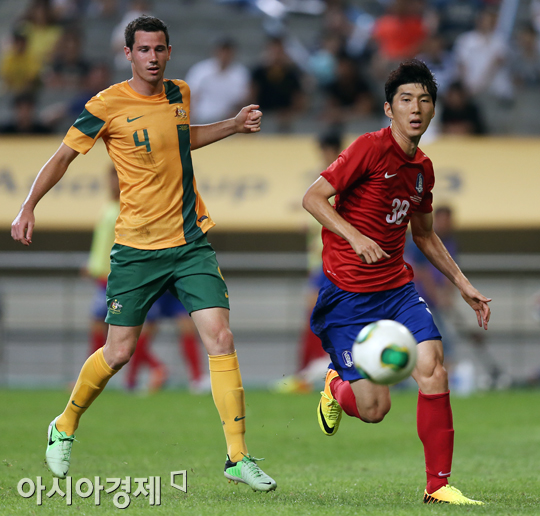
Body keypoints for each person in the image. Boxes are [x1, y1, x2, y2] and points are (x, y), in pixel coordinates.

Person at [11, 15, 276, 492]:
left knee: (220, 336)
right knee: (118, 352)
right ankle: (65, 423)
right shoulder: (106, 104)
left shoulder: (180, 93)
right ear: (128, 54)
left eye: (160, 49)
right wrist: (29, 205)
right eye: (144, 50)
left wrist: (233, 125)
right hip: (136, 248)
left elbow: (182, 140)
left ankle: (237, 456)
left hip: (189, 241)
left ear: (169, 52)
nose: (152, 57)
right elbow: (63, 157)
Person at [302, 59, 491, 505]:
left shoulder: (423, 169)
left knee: (433, 368)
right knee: (374, 410)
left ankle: (438, 485)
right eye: (406, 99)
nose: (416, 108)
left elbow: (423, 234)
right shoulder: (368, 148)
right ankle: (335, 384)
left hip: (397, 290)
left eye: (425, 100)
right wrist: (355, 235)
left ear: (432, 110)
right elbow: (313, 198)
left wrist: (463, 284)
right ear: (389, 108)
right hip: (348, 295)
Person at [185, 36, 250, 125]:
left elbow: (243, 99)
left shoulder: (240, 73)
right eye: (222, 50)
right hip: (202, 119)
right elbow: (190, 96)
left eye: (227, 51)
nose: (224, 54)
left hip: (227, 121)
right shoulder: (200, 70)